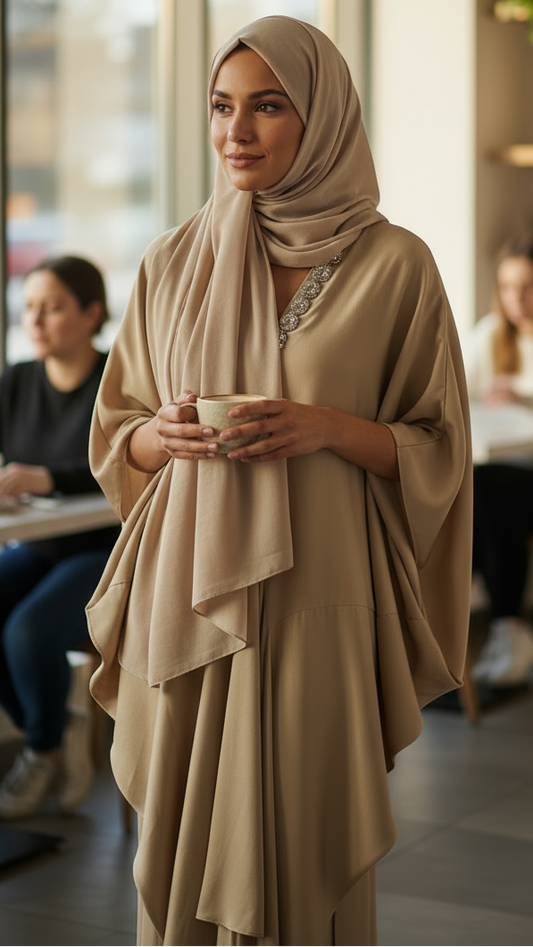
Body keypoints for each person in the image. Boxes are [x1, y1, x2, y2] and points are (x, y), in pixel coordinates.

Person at [87, 17, 472, 947]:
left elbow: (439, 447)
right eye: (222, 107)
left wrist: (327, 427)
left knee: (303, 839)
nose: (236, 131)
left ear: (323, 116)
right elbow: (117, 429)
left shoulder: (397, 266)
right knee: (181, 838)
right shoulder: (172, 262)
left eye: (267, 106)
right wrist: (158, 437)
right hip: (187, 593)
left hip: (320, 594)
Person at [0, 255, 120, 819]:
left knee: (27, 631)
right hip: (41, 545)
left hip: (106, 550)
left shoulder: (117, 380)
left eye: (52, 308)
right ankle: (52, 727)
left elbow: (127, 461)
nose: (36, 321)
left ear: (91, 312)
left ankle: (42, 749)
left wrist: (48, 477)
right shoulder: (19, 379)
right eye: (28, 308)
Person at [464, 233, 533, 686]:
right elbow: (451, 395)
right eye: (507, 288)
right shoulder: (491, 334)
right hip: (497, 471)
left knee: (489, 492)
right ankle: (505, 628)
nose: (516, 300)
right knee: (473, 487)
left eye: (526, 287)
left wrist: (522, 401)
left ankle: (506, 629)